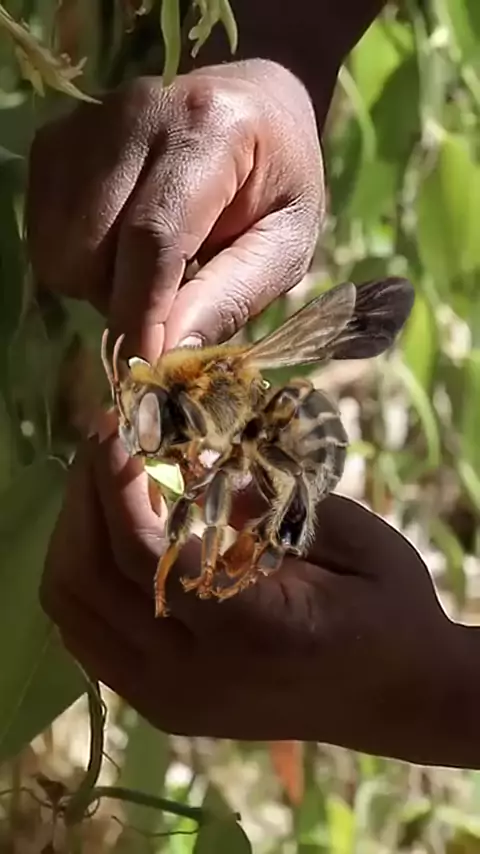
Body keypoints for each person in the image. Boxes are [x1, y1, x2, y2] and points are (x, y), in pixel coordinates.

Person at [26, 0, 480, 770]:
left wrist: (439, 696)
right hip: (267, 428)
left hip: (287, 439)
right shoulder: (202, 390)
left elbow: (229, 461)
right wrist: (285, 54)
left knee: (247, 464)